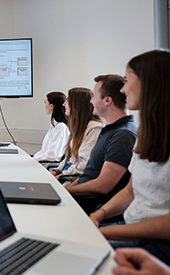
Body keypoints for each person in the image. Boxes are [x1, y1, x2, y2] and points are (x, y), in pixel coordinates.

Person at [89, 50, 170, 261]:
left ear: (150, 83)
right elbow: (131, 191)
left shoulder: (127, 133)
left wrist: (104, 232)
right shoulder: (146, 133)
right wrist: (99, 215)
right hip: (131, 229)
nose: (123, 89)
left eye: (126, 80)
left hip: (157, 245)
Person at [65, 75, 137, 213]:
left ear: (107, 100)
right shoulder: (109, 130)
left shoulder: (123, 135)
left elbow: (102, 186)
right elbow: (89, 174)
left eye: (93, 96)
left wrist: (67, 191)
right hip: (80, 199)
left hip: (91, 206)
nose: (90, 101)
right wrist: (65, 190)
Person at [52, 88, 103, 184]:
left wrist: (61, 175)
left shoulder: (94, 128)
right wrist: (57, 171)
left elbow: (84, 165)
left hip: (73, 178)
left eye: (67, 100)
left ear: (77, 105)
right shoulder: (77, 126)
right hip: (67, 173)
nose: (64, 104)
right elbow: (69, 158)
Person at [33, 91, 69, 162]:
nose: (44, 105)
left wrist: (34, 159)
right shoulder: (54, 125)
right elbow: (44, 151)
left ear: (51, 106)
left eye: (45, 102)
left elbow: (53, 155)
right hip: (42, 164)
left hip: (49, 168)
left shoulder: (61, 127)